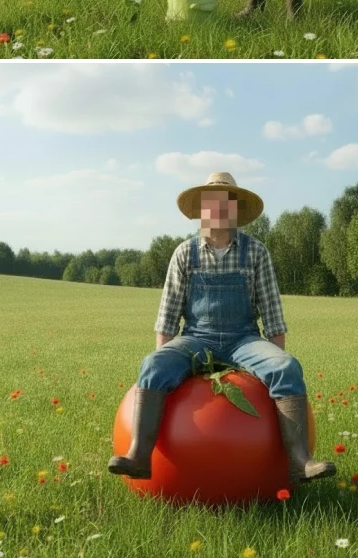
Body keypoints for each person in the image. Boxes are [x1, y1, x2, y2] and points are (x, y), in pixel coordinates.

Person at [107, 172, 336, 485]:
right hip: (196, 339)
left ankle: (299, 461)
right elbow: (168, 316)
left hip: (244, 340)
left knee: (287, 366)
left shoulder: (256, 252)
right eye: (211, 203)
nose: (217, 210)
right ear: (201, 210)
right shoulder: (184, 253)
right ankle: (139, 455)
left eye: (225, 203)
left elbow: (272, 314)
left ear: (235, 211)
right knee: (152, 364)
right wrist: (164, 365)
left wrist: (272, 368)